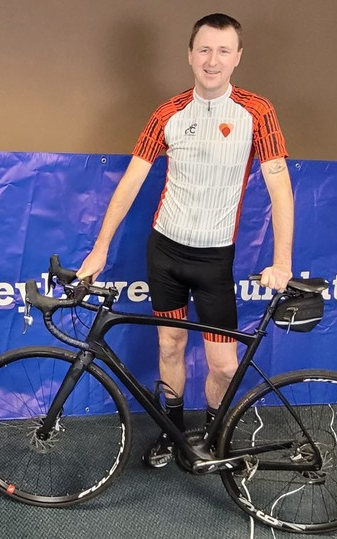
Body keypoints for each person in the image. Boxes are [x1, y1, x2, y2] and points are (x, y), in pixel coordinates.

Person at [77, 13, 294, 468]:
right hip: (165, 253)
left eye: (222, 51)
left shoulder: (258, 112)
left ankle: (213, 435)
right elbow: (131, 182)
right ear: (190, 55)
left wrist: (282, 260)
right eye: (204, 50)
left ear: (237, 58)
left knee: (223, 366)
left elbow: (280, 188)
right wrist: (99, 248)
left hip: (214, 260)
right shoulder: (168, 113)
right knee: (170, 346)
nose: (212, 60)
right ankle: (172, 432)